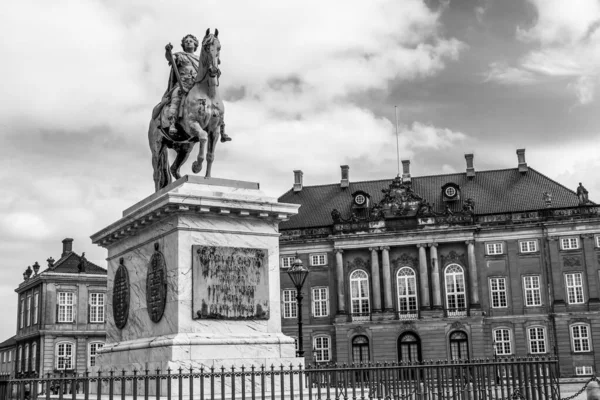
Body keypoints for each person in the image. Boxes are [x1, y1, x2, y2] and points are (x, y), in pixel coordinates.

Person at [164, 35, 231, 141]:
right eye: (186, 41)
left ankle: (221, 126)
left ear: (195, 45)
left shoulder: (200, 59)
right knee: (176, 96)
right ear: (183, 45)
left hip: (197, 85)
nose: (189, 42)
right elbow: (170, 58)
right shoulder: (180, 56)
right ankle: (172, 123)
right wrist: (168, 51)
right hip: (183, 85)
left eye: (191, 41)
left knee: (215, 100)